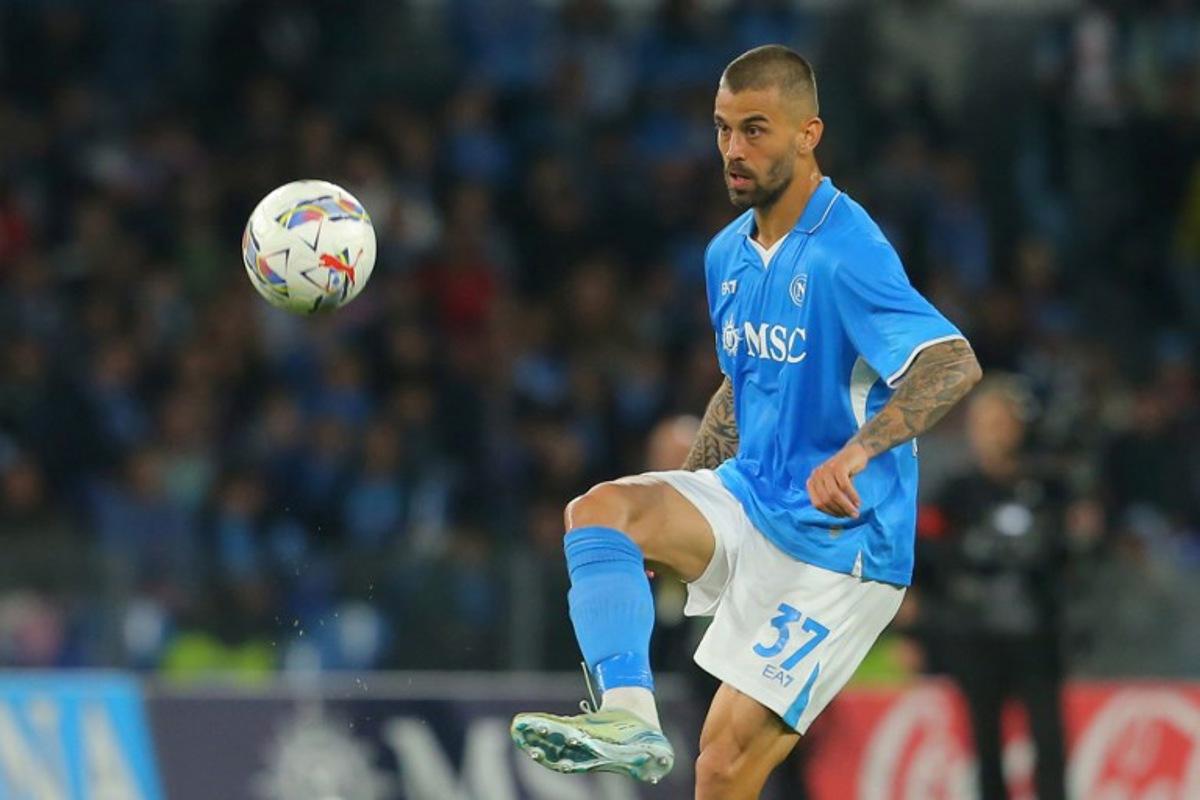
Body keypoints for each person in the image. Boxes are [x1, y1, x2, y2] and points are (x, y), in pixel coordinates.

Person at [510, 44, 982, 798]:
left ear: (808, 133)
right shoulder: (726, 254)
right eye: (723, 129)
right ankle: (628, 715)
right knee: (601, 512)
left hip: (841, 549)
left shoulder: (846, 249)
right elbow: (743, 384)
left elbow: (951, 363)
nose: (732, 150)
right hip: (752, 499)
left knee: (724, 765)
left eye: (754, 129)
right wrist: (689, 498)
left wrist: (858, 452)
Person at [918, 376, 1068, 800]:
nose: (997, 431)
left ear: (1019, 427)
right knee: (985, 745)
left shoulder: (1048, 488)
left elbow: (1067, 554)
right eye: (988, 422)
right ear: (973, 429)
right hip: (975, 634)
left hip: (1036, 631)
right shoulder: (955, 492)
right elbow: (927, 557)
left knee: (1049, 740)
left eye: (1004, 422)